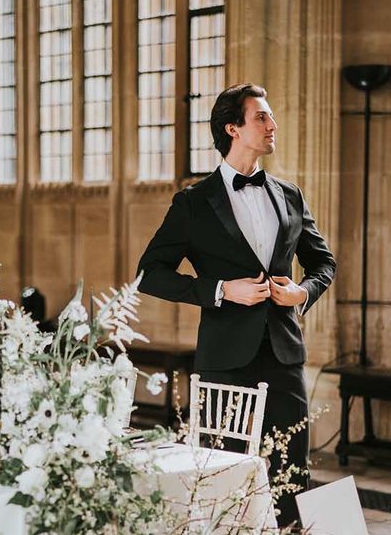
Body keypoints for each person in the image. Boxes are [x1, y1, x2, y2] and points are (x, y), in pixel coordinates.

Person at [137, 83, 337, 528]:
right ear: (233, 128)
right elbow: (150, 272)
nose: (273, 124)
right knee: (222, 476)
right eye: (261, 117)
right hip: (226, 361)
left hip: (285, 355)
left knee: (291, 474)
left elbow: (323, 262)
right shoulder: (194, 203)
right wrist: (221, 290)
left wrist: (302, 293)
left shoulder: (290, 195)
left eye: (271, 116)